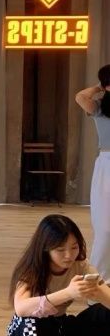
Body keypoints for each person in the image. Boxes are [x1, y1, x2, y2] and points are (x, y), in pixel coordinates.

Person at [7, 214, 110, 336]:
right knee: (32, 316)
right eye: (60, 250)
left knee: (104, 312)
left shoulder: (81, 266)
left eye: (74, 247)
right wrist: (68, 292)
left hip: (59, 333)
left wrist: (98, 293)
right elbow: (21, 308)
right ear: (45, 248)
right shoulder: (32, 268)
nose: (69, 255)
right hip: (25, 334)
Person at [75, 65, 110, 280]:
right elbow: (80, 97)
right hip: (107, 164)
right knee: (104, 228)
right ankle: (97, 279)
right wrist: (100, 86)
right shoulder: (98, 108)